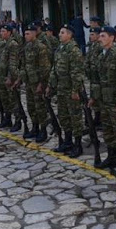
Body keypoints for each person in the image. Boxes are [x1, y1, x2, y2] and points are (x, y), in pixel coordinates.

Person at [89, 26, 116, 178]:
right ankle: (112, 157)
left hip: (115, 100)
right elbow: (97, 79)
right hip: (103, 100)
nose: (100, 38)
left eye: (103, 36)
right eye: (99, 36)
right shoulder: (101, 55)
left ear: (112, 38)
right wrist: (94, 97)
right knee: (107, 130)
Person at [47, 25, 85, 157]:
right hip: (61, 89)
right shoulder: (59, 49)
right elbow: (54, 69)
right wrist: (50, 86)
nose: (59, 35)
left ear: (69, 35)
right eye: (60, 32)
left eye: (62, 33)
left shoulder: (74, 51)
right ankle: (68, 142)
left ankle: (78, 145)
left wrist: (75, 90)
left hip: (71, 90)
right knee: (64, 116)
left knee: (75, 118)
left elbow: (77, 73)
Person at [20, 24, 51, 142]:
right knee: (31, 106)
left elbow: (45, 68)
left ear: (34, 34)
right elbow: (24, 64)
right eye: (25, 34)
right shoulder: (27, 47)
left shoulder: (40, 47)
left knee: (40, 107)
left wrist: (41, 84)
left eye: (28, 34)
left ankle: (43, 130)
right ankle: (35, 127)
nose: (25, 36)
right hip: (29, 81)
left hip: (37, 82)